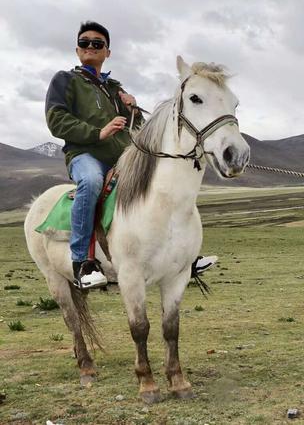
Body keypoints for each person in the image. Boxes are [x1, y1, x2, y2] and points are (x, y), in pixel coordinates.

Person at [45, 21, 215, 289]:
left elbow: (132, 127)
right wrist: (98, 132)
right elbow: (56, 120)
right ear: (77, 49)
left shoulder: (114, 87)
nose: (91, 46)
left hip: (121, 155)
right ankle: (83, 263)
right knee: (90, 182)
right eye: (85, 42)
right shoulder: (65, 80)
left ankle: (181, 257)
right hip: (85, 154)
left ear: (107, 52)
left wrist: (132, 109)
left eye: (98, 44)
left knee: (161, 185)